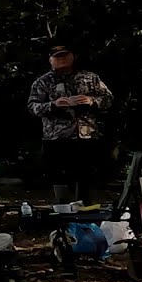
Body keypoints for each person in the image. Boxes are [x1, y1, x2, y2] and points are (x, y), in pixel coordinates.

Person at [27, 43, 113, 204]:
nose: (62, 59)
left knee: (87, 178)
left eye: (65, 55)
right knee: (59, 179)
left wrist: (92, 101)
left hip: (87, 137)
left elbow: (108, 99)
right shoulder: (42, 82)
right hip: (56, 139)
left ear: (73, 56)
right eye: (57, 56)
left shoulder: (90, 78)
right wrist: (53, 105)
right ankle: (63, 213)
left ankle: (87, 213)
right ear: (50, 60)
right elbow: (33, 107)